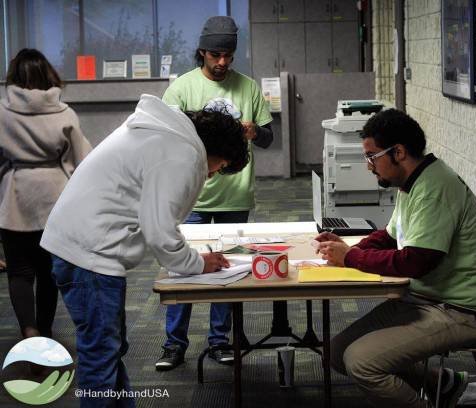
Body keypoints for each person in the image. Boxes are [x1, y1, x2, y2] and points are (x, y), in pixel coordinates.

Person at [40, 96, 249, 408]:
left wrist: (188, 258)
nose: (213, 174)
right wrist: (197, 263)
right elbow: (159, 232)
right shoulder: (181, 154)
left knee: (109, 351)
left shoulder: (164, 134)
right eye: (220, 167)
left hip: (81, 246)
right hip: (90, 254)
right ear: (216, 151)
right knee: (100, 357)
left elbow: (156, 221)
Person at [314, 109, 476, 408]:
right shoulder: (413, 182)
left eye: (372, 157)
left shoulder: (434, 188)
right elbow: (390, 236)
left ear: (399, 152)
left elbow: (416, 262)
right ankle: (443, 386)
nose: (369, 167)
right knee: (337, 351)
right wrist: (349, 248)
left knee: (362, 363)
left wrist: (352, 257)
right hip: (427, 298)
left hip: (464, 309)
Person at [157, 15, 273, 370]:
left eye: (229, 56)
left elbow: (270, 138)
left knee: (228, 269)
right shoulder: (181, 89)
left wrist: (255, 133)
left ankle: (219, 341)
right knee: (183, 269)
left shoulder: (249, 88)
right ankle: (173, 344)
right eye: (216, 55)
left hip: (234, 196)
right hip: (191, 196)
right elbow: (164, 138)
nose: (223, 62)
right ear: (202, 52)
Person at [0, 48, 92, 340]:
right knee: (48, 272)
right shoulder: (64, 113)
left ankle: (28, 330)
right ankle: (46, 329)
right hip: (55, 198)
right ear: (48, 75)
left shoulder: (2, 112)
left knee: (19, 272)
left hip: (15, 199)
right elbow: (84, 160)